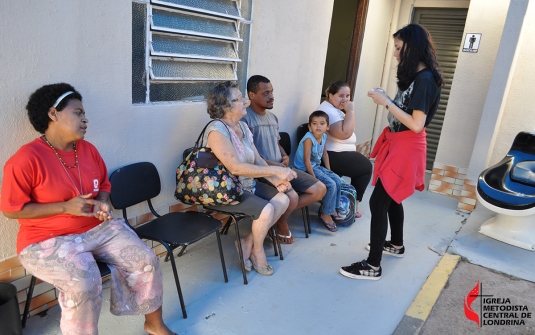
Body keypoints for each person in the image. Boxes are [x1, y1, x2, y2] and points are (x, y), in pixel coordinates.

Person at [0, 83, 176, 335]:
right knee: (84, 282)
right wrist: (64, 207)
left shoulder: (88, 150)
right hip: (46, 239)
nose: (85, 119)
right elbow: (11, 209)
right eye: (78, 113)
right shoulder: (26, 159)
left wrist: (103, 201)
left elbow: (103, 184)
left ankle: (154, 325)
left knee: (145, 261)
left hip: (97, 229)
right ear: (53, 114)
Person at [340, 23, 443, 280]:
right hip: (399, 143)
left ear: (413, 47)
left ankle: (372, 265)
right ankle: (396, 244)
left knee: (379, 201)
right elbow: (407, 111)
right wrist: (387, 97)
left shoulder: (425, 79)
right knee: (393, 197)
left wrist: (386, 102)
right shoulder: (418, 77)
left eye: (398, 48)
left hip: (406, 146)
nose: (395, 53)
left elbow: (416, 124)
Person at [203, 81, 297, 276]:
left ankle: (247, 242)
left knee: (283, 199)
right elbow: (235, 168)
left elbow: (258, 160)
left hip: (246, 185)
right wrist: (278, 171)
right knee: (267, 209)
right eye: (239, 99)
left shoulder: (243, 127)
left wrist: (274, 179)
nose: (245, 102)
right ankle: (258, 251)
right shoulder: (216, 130)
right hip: (225, 190)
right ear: (225, 106)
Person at [242, 75, 326, 244]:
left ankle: (279, 217)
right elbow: (250, 155)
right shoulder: (245, 119)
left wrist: (284, 155)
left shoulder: (273, 117)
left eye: (272, 92)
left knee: (319, 189)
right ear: (252, 95)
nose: (271, 96)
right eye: (265, 93)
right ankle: (281, 222)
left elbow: (276, 142)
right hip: (263, 173)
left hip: (282, 168)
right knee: (292, 197)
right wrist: (275, 166)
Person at [316, 81, 372, 218]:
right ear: (330, 95)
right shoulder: (327, 111)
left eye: (348, 96)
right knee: (365, 167)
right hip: (332, 154)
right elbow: (343, 134)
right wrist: (350, 111)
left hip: (339, 152)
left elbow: (351, 126)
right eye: (341, 95)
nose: (345, 99)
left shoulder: (334, 109)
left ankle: (350, 202)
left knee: (362, 165)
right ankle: (353, 205)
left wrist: (349, 112)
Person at [294, 111, 345, 232]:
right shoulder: (308, 139)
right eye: (315, 123)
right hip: (305, 169)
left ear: (327, 126)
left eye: (322, 123)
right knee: (330, 184)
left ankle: (333, 208)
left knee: (337, 179)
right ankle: (325, 213)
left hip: (315, 165)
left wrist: (329, 170)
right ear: (309, 126)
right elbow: (306, 160)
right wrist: (314, 178)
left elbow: (325, 154)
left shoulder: (324, 136)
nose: (318, 126)